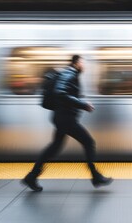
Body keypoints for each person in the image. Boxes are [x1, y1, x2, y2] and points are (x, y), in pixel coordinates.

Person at [22, 55, 113, 192]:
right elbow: (60, 93)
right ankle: (96, 177)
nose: (84, 65)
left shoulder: (70, 74)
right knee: (89, 143)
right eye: (82, 62)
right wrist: (83, 104)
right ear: (76, 63)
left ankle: (31, 177)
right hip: (65, 119)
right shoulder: (69, 74)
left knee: (54, 148)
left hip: (62, 117)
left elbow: (63, 93)